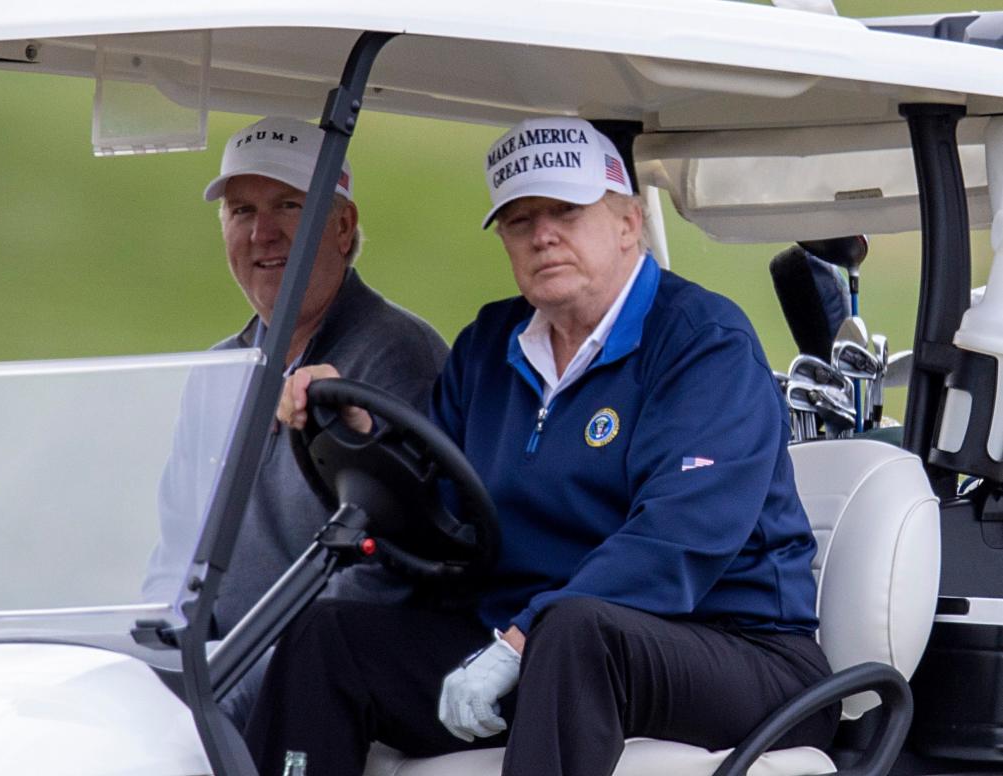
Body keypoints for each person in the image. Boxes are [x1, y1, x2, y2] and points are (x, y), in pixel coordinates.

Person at [250, 116, 838, 775]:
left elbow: (680, 537)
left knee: (576, 631)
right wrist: (363, 436)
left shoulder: (702, 341)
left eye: (564, 210)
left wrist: (522, 637)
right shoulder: (489, 347)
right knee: (328, 636)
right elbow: (438, 513)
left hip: (736, 650)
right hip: (533, 641)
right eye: (519, 220)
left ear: (626, 222)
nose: (542, 236)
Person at [140, 116, 449, 722]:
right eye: (241, 211)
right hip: (220, 666)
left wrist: (242, 686)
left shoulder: (395, 355)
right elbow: (175, 554)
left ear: (342, 226)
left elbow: (386, 570)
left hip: (323, 672)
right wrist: (153, 654)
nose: (264, 234)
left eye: (289, 206)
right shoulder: (218, 371)